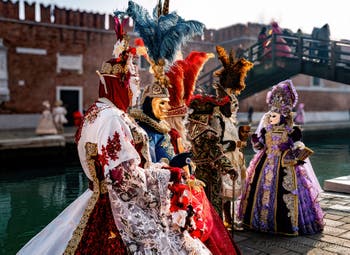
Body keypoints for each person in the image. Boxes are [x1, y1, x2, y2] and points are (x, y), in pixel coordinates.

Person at [18, 14, 211, 255]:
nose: (135, 91)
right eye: (132, 84)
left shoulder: (95, 113)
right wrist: (168, 175)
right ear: (119, 83)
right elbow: (124, 179)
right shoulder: (113, 119)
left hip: (97, 199)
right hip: (119, 209)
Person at [239, 79, 324, 236]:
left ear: (283, 115)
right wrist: (255, 140)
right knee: (258, 187)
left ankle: (284, 225)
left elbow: (298, 143)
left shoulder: (293, 130)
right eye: (271, 114)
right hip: (265, 163)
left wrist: (297, 147)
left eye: (274, 115)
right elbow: (260, 147)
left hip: (285, 163)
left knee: (287, 194)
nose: (271, 117)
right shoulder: (266, 131)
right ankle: (259, 222)